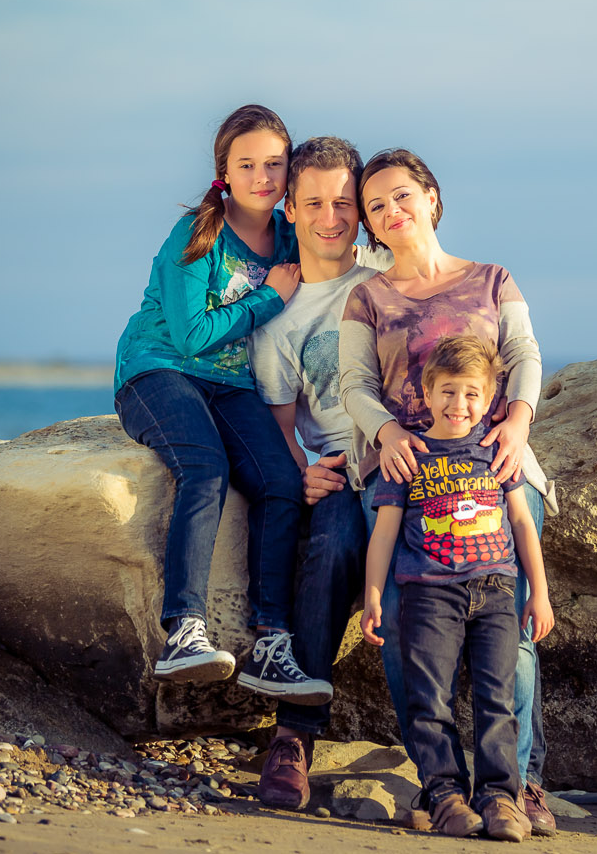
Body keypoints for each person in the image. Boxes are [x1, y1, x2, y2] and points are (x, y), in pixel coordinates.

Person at [337, 147, 560, 834]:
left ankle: (518, 786)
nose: (390, 211)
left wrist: (519, 422)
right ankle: (442, 789)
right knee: (405, 633)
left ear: (431, 197)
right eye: (375, 206)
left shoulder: (492, 279)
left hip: (497, 473)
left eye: (401, 196)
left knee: (514, 633)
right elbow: (355, 387)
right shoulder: (366, 297)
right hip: (407, 482)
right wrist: (385, 435)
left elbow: (524, 356)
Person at [112, 104, 329, 705]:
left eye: (275, 165)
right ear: (224, 173)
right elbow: (193, 336)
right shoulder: (197, 234)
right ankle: (184, 633)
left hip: (232, 385)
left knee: (282, 480)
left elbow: (340, 261)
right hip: (158, 373)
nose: (263, 177)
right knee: (205, 467)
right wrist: (270, 297)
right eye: (248, 165)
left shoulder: (289, 235)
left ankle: (272, 647)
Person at [246, 135, 392, 809]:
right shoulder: (279, 318)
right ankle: (293, 737)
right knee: (328, 544)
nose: (331, 217)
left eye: (343, 202)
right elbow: (280, 426)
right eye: (315, 203)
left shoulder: (387, 270)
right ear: (292, 209)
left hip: (421, 462)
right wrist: (300, 470)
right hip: (345, 469)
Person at [361, 336, 554, 841]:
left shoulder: (495, 451)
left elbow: (522, 523)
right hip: (429, 594)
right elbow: (384, 532)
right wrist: (375, 595)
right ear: (426, 393)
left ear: (489, 400)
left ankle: (500, 799)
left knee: (498, 697)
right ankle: (445, 796)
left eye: (472, 394)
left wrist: (540, 592)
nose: (459, 405)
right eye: (447, 391)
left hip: (495, 592)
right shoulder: (408, 456)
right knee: (431, 699)